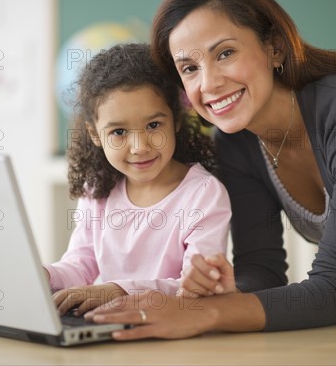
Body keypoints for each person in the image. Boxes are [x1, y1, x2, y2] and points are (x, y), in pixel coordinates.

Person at [85, 0, 336, 338]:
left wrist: (200, 314)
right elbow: (262, 272)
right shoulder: (235, 145)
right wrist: (224, 291)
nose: (210, 83)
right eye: (189, 67)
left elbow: (334, 290)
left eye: (226, 53)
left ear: (274, 47)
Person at [44, 43, 231, 316]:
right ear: (95, 134)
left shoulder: (203, 193)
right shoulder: (97, 189)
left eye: (153, 125)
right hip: (109, 327)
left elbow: (194, 288)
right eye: (119, 131)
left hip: (174, 334)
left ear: (176, 120)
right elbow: (80, 265)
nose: (139, 146)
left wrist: (119, 289)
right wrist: (42, 276)